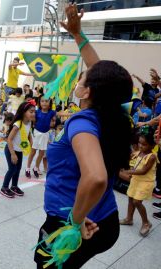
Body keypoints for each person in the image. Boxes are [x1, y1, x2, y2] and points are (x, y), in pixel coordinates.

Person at [34, 4, 133, 268]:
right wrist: (78, 35)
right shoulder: (114, 110)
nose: (81, 75)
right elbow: (101, 72)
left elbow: (97, 177)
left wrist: (75, 223)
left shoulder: (81, 122)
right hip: (106, 218)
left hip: (74, 223)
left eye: (83, 77)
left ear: (86, 92)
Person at [120, 132, 156, 237]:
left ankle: (146, 222)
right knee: (130, 198)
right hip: (136, 180)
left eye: (144, 144)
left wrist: (128, 172)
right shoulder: (138, 152)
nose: (140, 146)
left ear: (152, 146)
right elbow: (129, 159)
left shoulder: (151, 157)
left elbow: (144, 171)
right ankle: (129, 219)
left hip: (145, 182)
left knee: (137, 201)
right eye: (140, 143)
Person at [0, 101, 35, 198]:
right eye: (31, 111)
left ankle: (14, 186)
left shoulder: (29, 123)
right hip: (11, 150)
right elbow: (9, 139)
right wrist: (13, 154)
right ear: (24, 112)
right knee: (12, 169)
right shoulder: (17, 124)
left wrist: (31, 143)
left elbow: (28, 134)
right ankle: (4, 187)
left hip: (19, 150)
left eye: (34, 112)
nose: (33, 114)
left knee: (18, 169)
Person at [26, 96, 56, 178]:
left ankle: (36, 167)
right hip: (37, 133)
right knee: (33, 152)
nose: (44, 103)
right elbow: (31, 119)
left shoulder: (51, 112)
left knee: (42, 153)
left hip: (45, 134)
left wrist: (73, 114)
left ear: (50, 103)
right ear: (39, 102)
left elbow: (60, 114)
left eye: (46, 101)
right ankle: (28, 168)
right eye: (42, 101)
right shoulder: (36, 112)